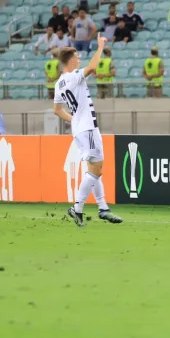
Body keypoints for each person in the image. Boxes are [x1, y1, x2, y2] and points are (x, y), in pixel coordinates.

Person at [52, 40, 123, 226]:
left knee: (94, 170)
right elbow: (92, 67)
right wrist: (100, 47)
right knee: (96, 169)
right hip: (87, 128)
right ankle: (77, 208)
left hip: (81, 129)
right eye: (77, 57)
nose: (79, 59)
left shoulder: (59, 83)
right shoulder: (74, 76)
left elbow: (57, 110)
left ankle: (103, 208)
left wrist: (74, 120)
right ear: (70, 61)